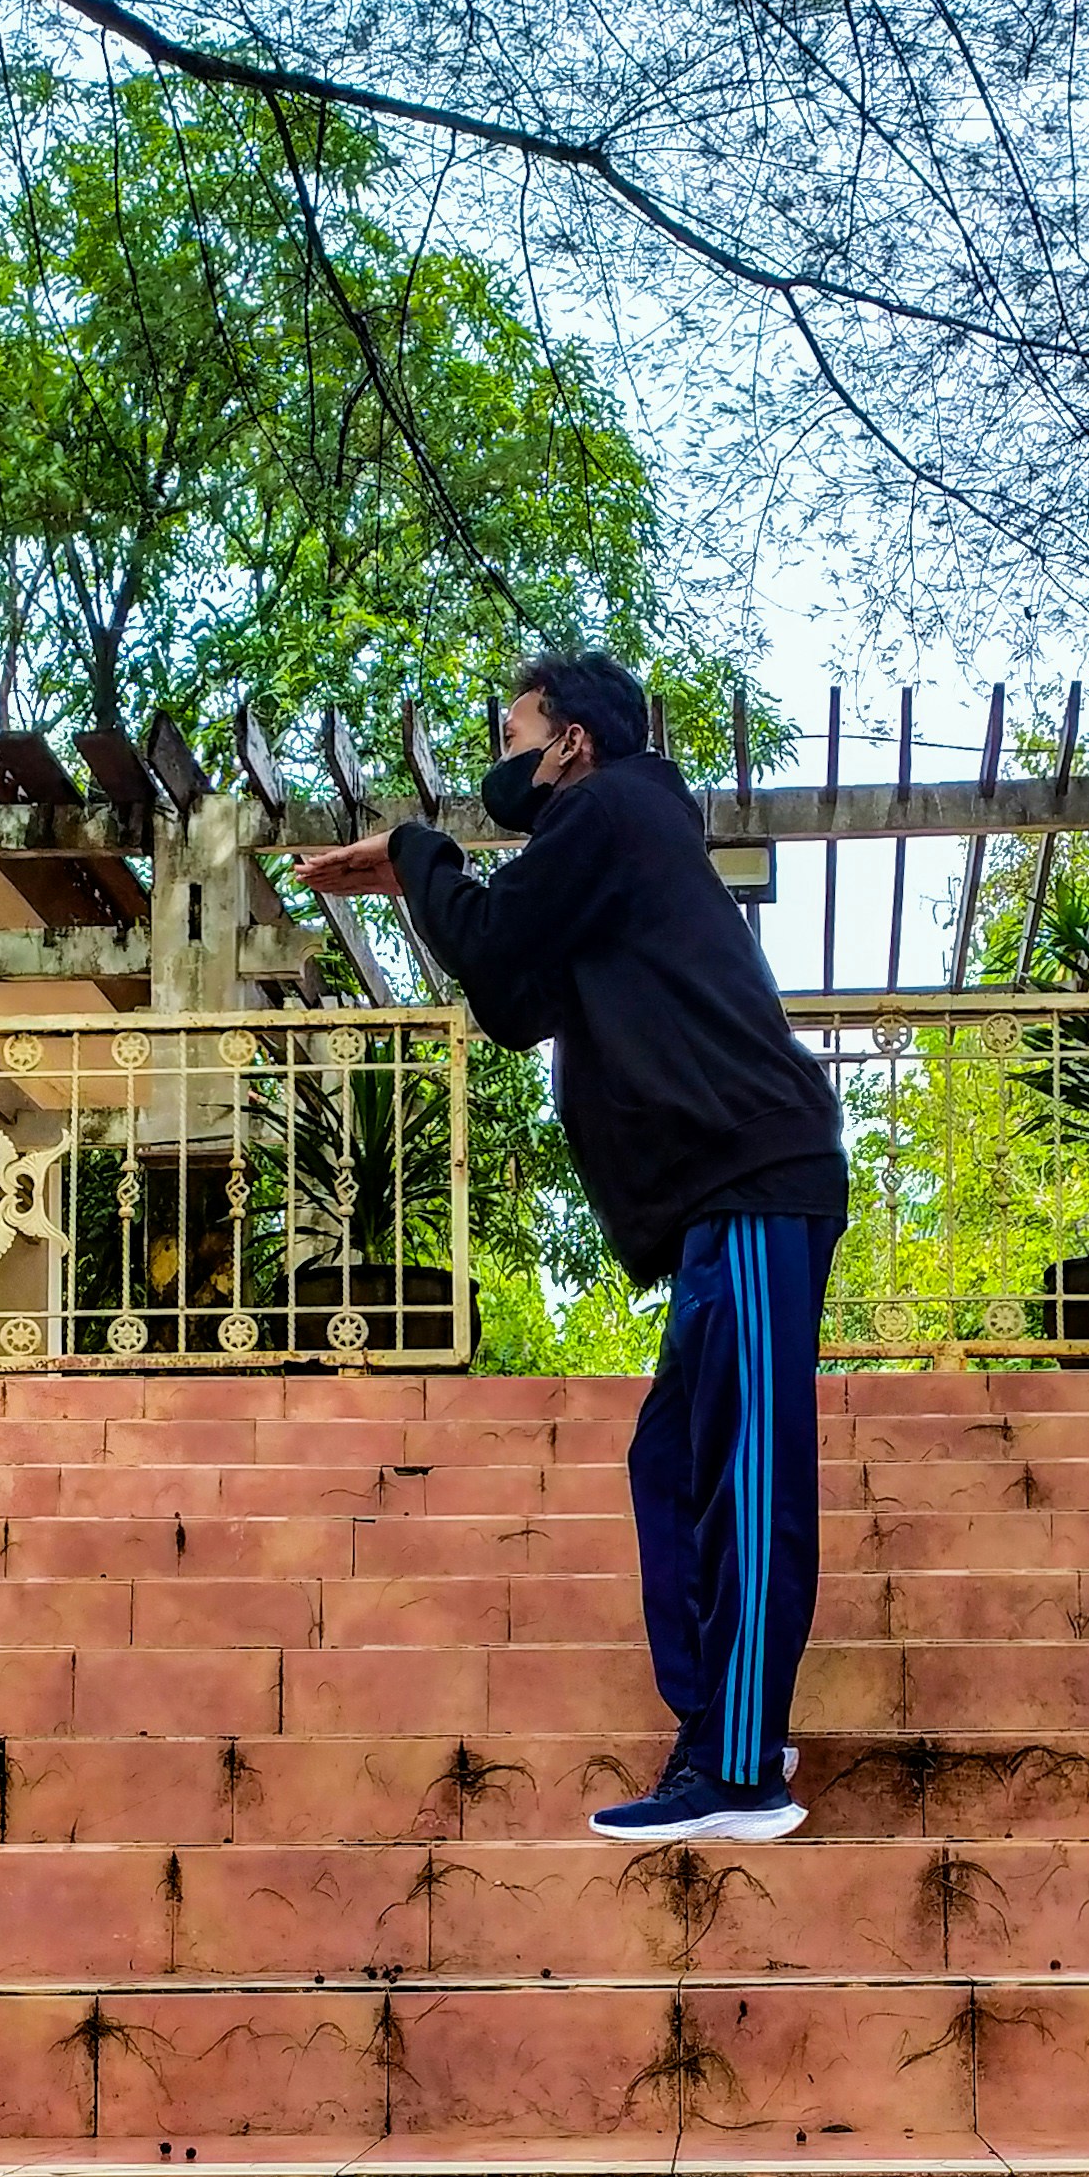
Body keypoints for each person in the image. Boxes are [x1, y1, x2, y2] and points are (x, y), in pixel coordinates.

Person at [293, 651, 847, 1846]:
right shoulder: (614, 840)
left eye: (513, 729)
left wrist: (415, 849)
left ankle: (741, 1767)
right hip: (726, 1193)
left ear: (571, 744)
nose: (502, 753)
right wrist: (418, 880)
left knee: (744, 1473)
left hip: (752, 1177)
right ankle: (722, 1727)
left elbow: (491, 946)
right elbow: (511, 999)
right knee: (673, 1461)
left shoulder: (613, 805)